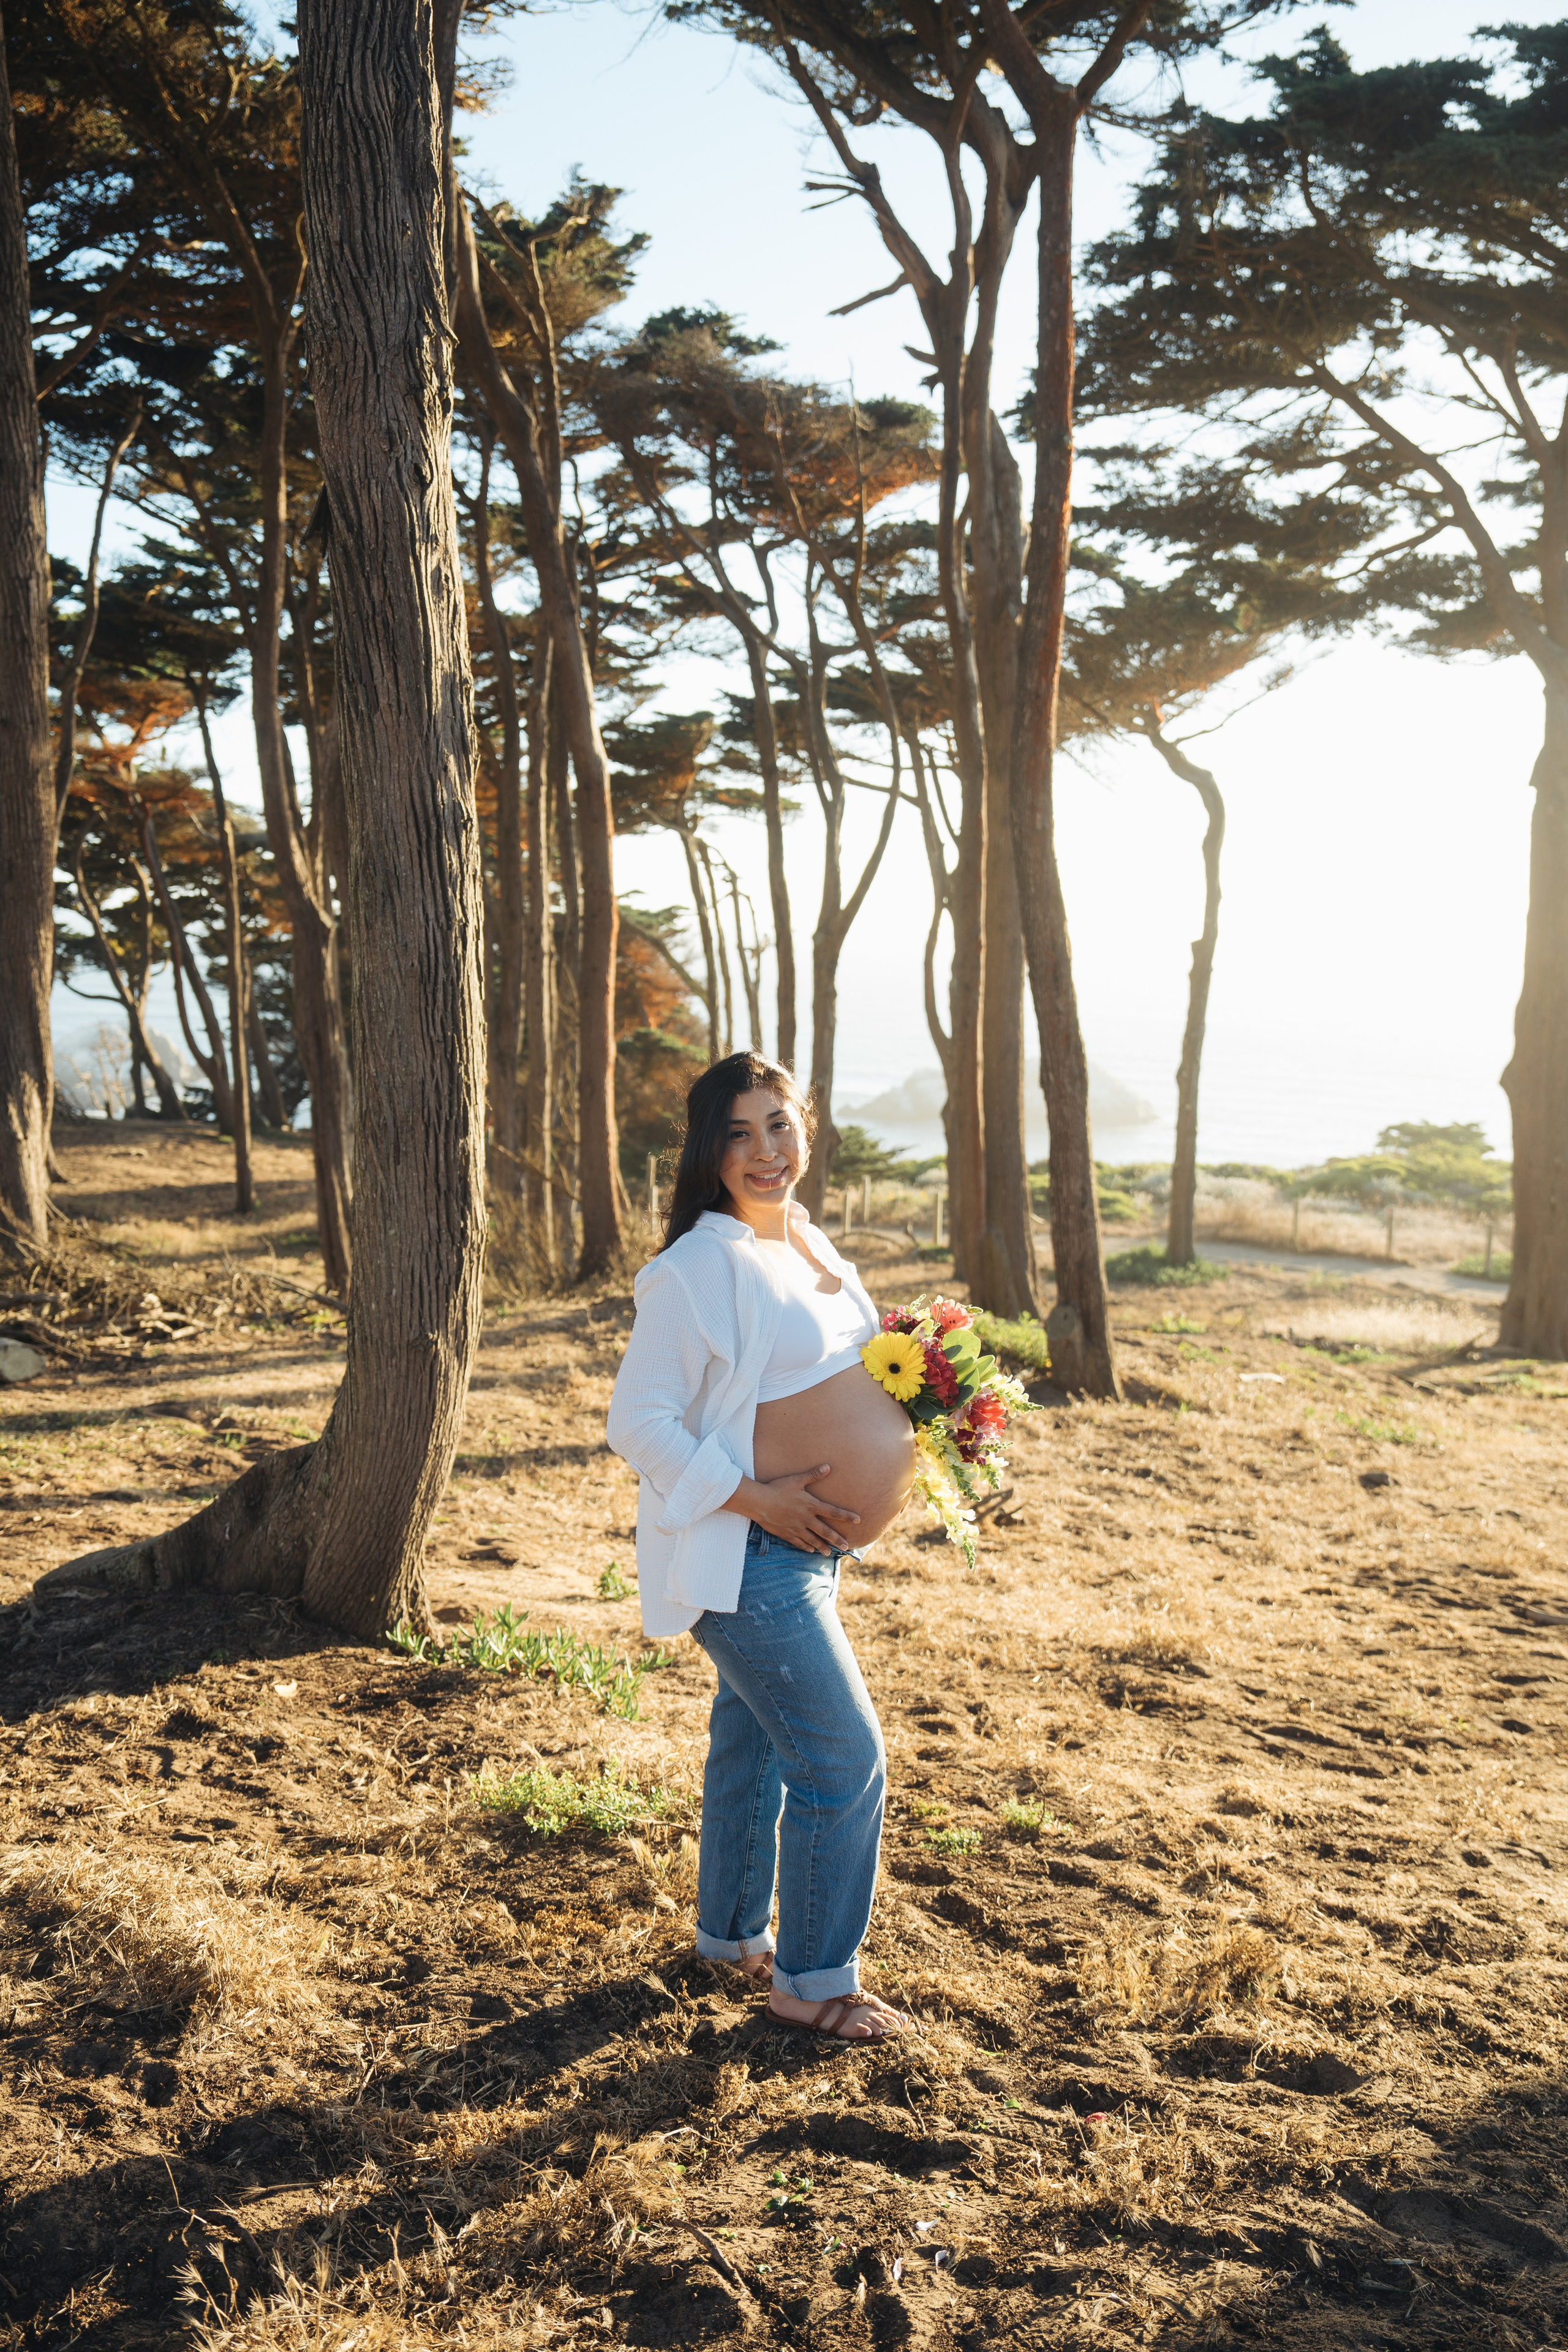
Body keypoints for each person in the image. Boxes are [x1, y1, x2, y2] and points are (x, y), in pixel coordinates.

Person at [607, 1052, 915, 2042]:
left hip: (803, 1556)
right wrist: (756, 1501)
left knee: (756, 1742)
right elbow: (637, 1422)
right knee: (842, 1760)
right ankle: (812, 1986)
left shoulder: (810, 1243)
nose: (764, 1151)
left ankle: (730, 1938)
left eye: (778, 1125)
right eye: (738, 1134)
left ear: (806, 1126)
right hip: (751, 1556)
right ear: (708, 1150)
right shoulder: (699, 1266)